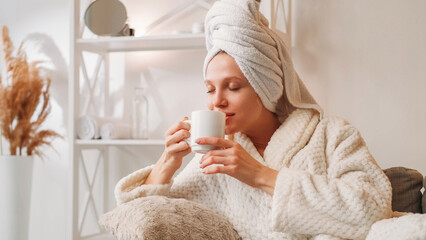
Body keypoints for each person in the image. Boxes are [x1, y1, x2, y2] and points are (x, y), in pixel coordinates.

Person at [114, 0, 392, 239]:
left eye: (233, 87)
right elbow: (154, 221)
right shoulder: (214, 158)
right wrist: (167, 163)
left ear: (265, 87)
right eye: (210, 89)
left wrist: (261, 175)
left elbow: (374, 207)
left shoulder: (332, 135)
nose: (217, 101)